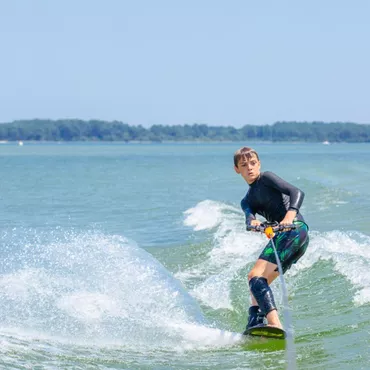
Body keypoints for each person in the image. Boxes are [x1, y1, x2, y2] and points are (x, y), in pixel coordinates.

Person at [233, 146, 309, 331]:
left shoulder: (266, 178)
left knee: (254, 276)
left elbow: (297, 192)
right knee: (257, 283)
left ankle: (275, 324)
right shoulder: (246, 201)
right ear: (237, 169)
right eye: (244, 165)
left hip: (294, 230)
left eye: (252, 163)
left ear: (259, 164)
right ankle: (255, 320)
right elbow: (249, 220)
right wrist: (256, 225)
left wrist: (289, 216)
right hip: (291, 238)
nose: (249, 168)